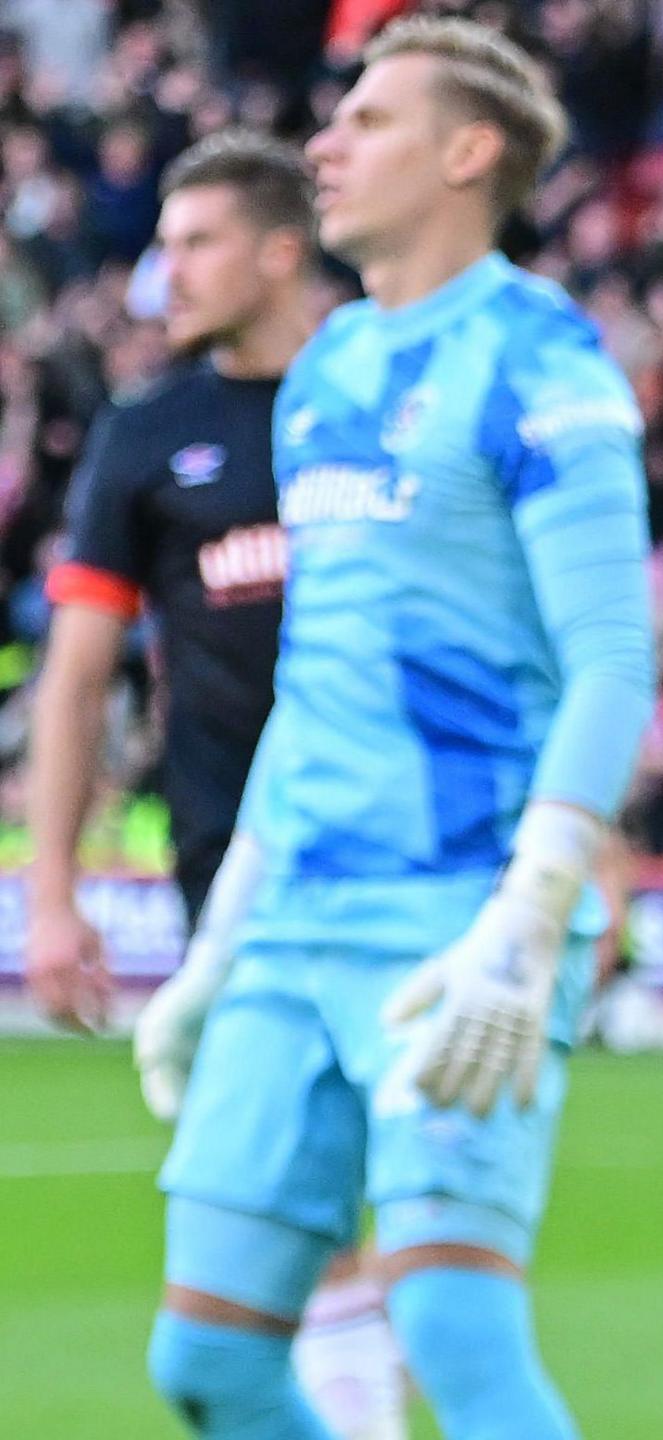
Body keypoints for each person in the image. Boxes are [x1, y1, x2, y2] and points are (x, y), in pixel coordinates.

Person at [135, 17, 654, 1440]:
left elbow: (613, 657)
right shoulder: (328, 375)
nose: (326, 144)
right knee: (210, 1364)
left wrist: (529, 919)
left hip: (457, 918)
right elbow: (313, 691)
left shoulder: (544, 359)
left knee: (451, 1326)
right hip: (293, 920)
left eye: (368, 120)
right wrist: (216, 946)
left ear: (469, 151)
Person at [21, 130, 410, 1440]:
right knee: (313, 1211)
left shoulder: (399, 390)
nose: (159, 275)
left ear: (281, 249)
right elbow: (75, 682)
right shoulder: (148, 438)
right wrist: (54, 896)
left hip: (420, 858)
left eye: (193, 244)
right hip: (238, 877)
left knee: (420, 1214)